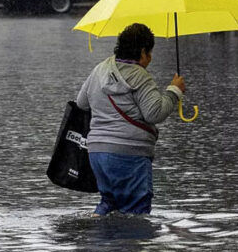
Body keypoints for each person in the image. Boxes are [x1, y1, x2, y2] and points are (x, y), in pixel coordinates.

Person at [75, 23, 186, 216]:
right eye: (149, 53)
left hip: (97, 154)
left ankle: (98, 241)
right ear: (143, 52)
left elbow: (81, 103)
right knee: (137, 212)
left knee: (108, 203)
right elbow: (155, 113)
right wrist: (174, 91)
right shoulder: (141, 76)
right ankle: (131, 244)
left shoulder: (100, 70)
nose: (150, 58)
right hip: (129, 154)